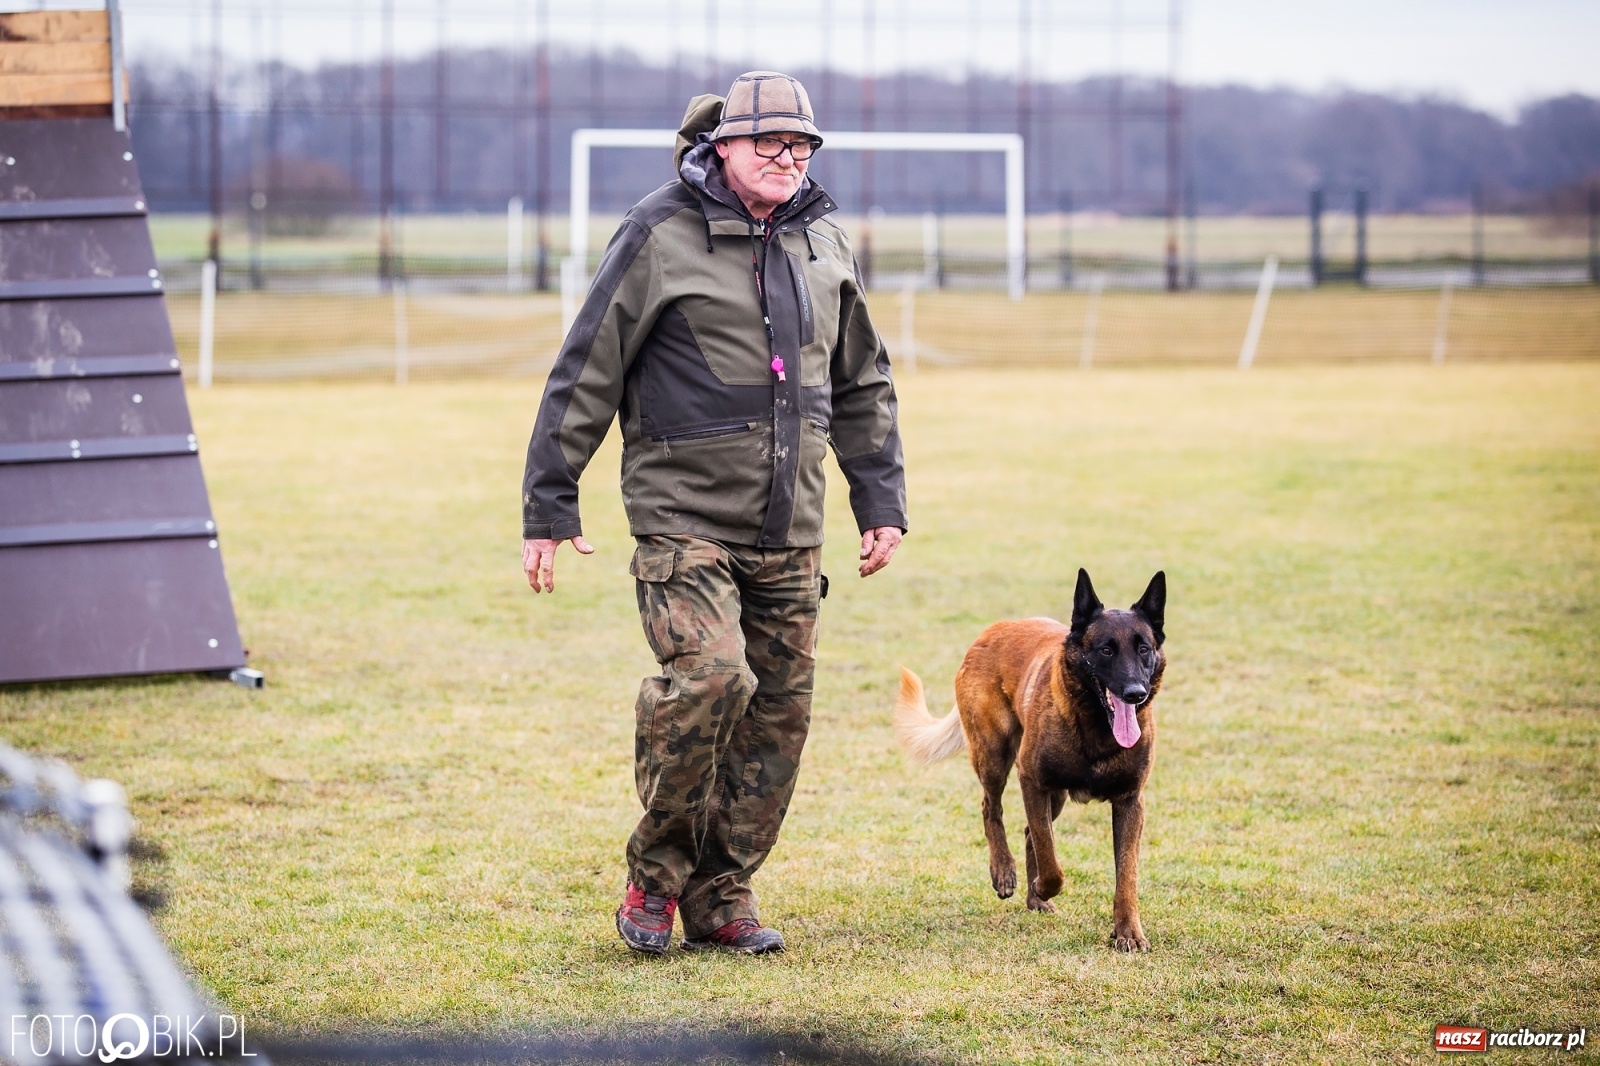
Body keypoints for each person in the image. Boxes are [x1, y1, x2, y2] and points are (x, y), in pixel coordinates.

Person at [520, 71, 906, 955]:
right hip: (683, 514)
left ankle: (722, 892)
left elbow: (863, 381)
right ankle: (652, 882)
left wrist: (878, 499)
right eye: (768, 141)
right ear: (722, 144)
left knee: (778, 714)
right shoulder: (659, 229)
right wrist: (550, 497)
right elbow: (589, 363)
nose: (787, 156)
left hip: (791, 526)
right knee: (714, 678)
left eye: (801, 144)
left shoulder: (825, 243)